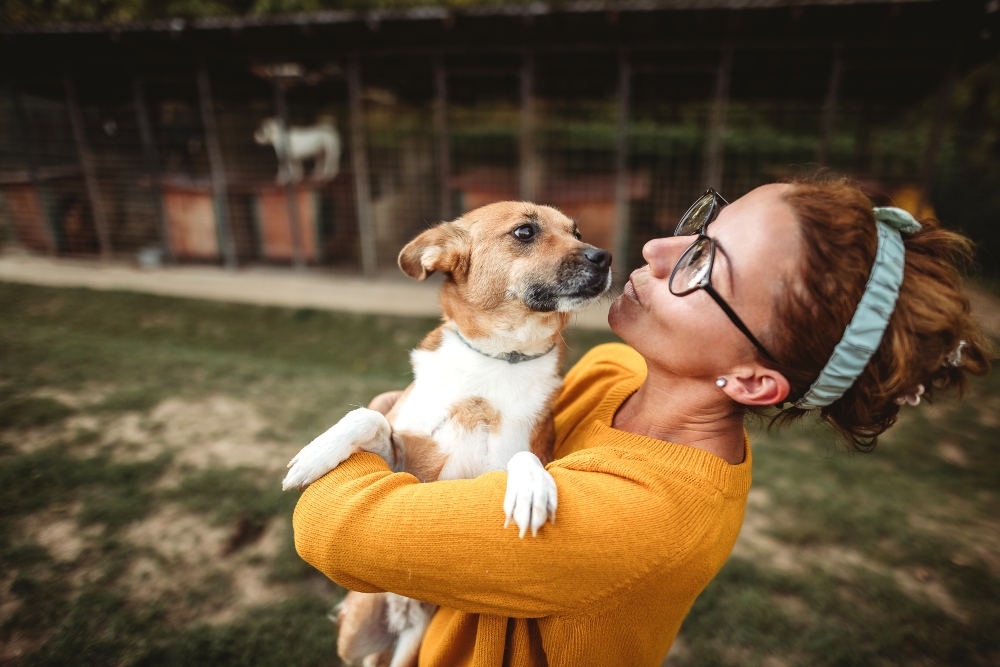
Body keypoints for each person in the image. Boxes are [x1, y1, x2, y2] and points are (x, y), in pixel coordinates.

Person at [291, 179, 990, 667]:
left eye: (704, 264)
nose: (656, 249)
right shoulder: (611, 375)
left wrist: (379, 420)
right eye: (700, 227)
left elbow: (330, 527)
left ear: (750, 378)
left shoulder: (639, 519)